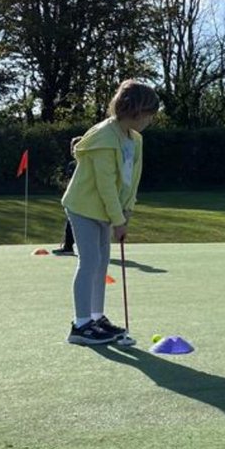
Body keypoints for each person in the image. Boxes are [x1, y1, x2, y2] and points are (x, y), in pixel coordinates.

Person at [61, 79, 159, 346]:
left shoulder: (135, 139)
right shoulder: (105, 136)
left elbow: (131, 178)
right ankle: (80, 326)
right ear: (135, 111)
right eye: (149, 114)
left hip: (107, 210)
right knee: (90, 262)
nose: (150, 120)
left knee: (102, 264)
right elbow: (105, 184)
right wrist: (118, 221)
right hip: (84, 206)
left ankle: (96, 317)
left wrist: (128, 210)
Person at [52, 137, 81, 256]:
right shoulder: (72, 164)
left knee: (73, 222)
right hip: (74, 197)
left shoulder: (81, 164)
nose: (72, 150)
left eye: (74, 147)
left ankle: (68, 247)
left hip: (80, 197)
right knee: (71, 221)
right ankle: (68, 246)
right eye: (72, 147)